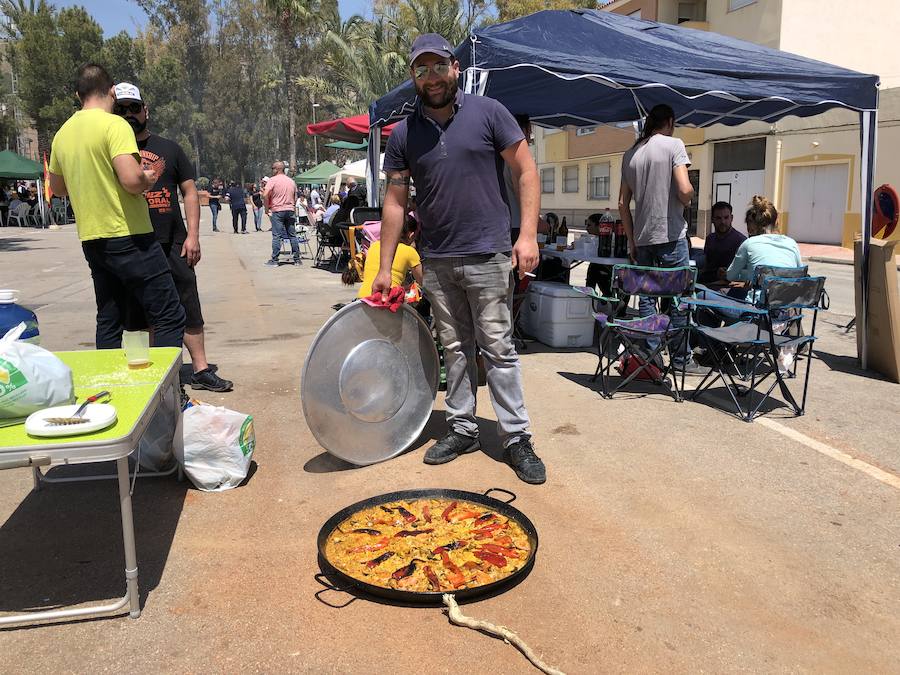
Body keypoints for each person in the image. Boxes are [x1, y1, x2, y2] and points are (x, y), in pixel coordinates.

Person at [375, 33, 545, 484]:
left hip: (489, 254)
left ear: (455, 68)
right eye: (420, 69)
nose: (430, 77)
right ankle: (463, 427)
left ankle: (516, 438)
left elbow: (525, 169)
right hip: (437, 260)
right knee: (453, 348)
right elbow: (395, 201)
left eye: (437, 67)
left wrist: (527, 235)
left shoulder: (490, 113)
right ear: (414, 75)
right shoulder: (404, 133)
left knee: (498, 349)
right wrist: (383, 267)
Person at [48, 64, 185, 349]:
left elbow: (58, 189)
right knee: (169, 315)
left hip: (92, 238)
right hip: (130, 235)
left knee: (109, 317)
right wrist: (146, 176)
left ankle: (107, 385)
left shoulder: (62, 134)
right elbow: (131, 181)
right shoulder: (115, 125)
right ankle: (166, 391)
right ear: (111, 91)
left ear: (78, 94)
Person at [113, 82, 232, 392]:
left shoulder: (170, 148)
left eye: (134, 108)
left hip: (173, 242)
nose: (129, 115)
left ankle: (201, 369)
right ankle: (157, 375)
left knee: (188, 304)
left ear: (145, 111)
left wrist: (193, 235)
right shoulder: (112, 151)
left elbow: (189, 191)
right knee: (141, 310)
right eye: (121, 109)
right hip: (134, 244)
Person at [619, 103, 704, 373]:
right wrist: (688, 198)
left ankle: (651, 356)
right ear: (669, 122)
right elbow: (684, 189)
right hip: (670, 234)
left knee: (646, 298)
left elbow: (622, 203)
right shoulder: (673, 145)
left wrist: (631, 240)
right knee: (677, 298)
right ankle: (680, 360)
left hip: (642, 238)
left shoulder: (630, 154)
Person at [357, 217, 423, 297]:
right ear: (411, 235)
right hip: (388, 300)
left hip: (363, 299)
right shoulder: (409, 251)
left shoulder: (374, 246)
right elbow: (423, 281)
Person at [263, 160, 301, 266]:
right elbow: (295, 196)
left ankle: (274, 260)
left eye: (273, 168)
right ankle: (297, 259)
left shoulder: (272, 180)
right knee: (292, 235)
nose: (272, 170)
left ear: (278, 169)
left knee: (277, 236)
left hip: (278, 210)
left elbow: (265, 195)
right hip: (290, 210)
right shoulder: (291, 181)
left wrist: (267, 209)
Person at [700, 201, 746, 284]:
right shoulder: (710, 239)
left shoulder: (741, 241)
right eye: (718, 218)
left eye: (726, 217)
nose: (723, 222)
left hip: (729, 287)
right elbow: (706, 267)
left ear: (731, 218)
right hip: (708, 284)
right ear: (712, 219)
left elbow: (743, 273)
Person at [503, 114, 531, 245]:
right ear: (523, 131)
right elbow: (521, 190)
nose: (530, 139)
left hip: (503, 224)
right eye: (529, 132)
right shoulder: (516, 156)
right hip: (517, 224)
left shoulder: (499, 154)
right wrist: (535, 221)